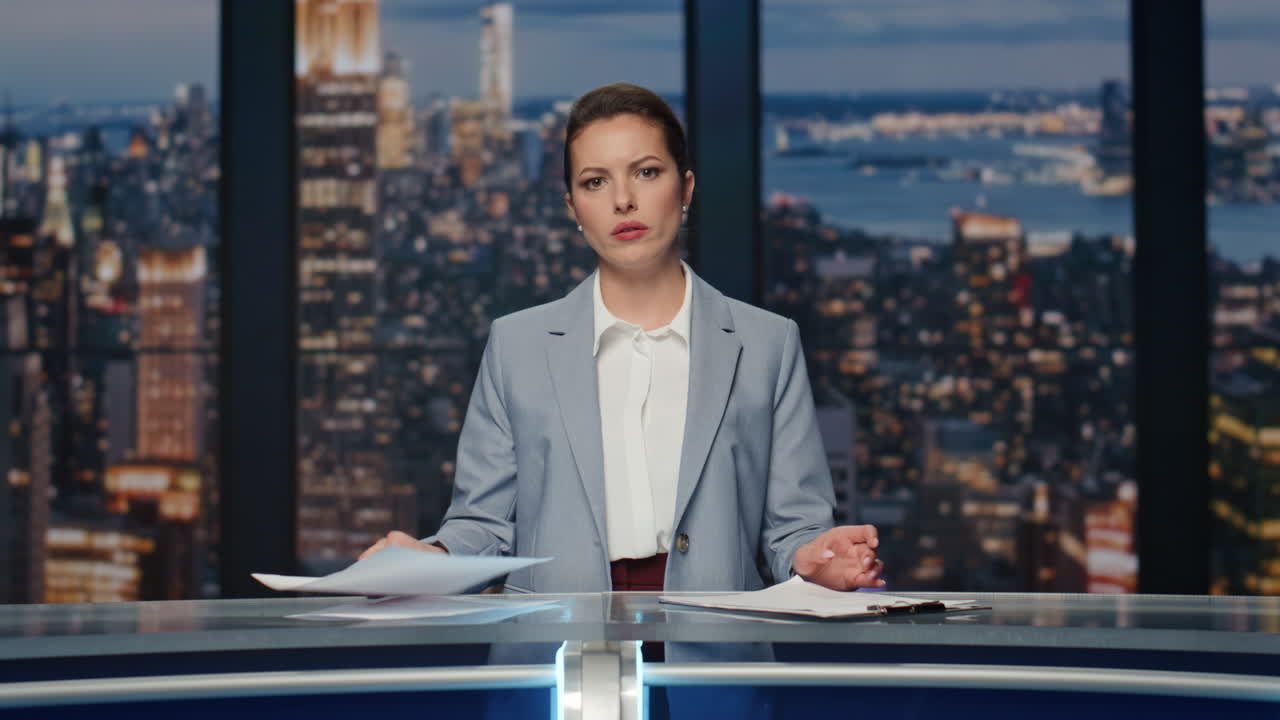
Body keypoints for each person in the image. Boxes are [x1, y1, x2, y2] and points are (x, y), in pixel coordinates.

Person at [360, 82, 883, 602]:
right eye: (595, 182)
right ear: (573, 207)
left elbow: (792, 528)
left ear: (686, 188)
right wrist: (435, 558)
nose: (623, 200)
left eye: (647, 172)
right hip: (556, 648)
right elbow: (484, 524)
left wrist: (815, 557)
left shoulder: (768, 343)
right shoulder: (515, 345)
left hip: (721, 646)